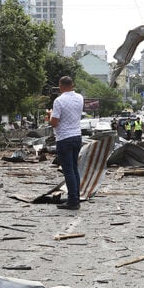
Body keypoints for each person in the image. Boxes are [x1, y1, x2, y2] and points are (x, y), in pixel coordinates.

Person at [50, 76, 84, 210]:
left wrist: (50, 116)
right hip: (77, 136)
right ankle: (76, 197)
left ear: (60, 86)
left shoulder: (59, 101)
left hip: (64, 138)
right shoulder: (80, 98)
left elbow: (54, 122)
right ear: (72, 85)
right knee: (74, 169)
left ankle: (73, 201)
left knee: (68, 170)